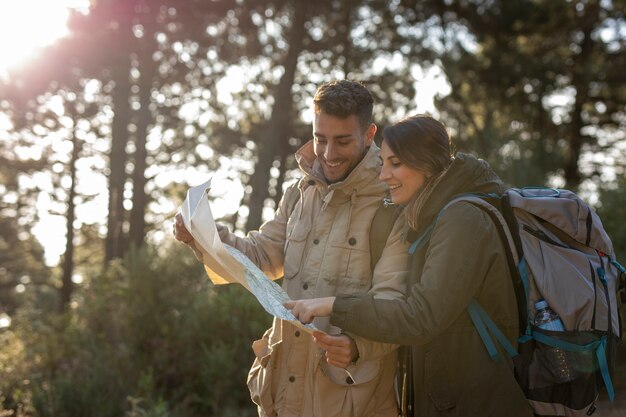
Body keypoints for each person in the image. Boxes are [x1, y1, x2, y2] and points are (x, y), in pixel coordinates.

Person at [173, 80, 409, 417]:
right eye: (319, 139)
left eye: (342, 141)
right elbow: (263, 257)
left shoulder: (393, 205)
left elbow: (397, 306)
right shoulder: (299, 193)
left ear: (369, 134)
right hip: (284, 395)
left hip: (350, 402)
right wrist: (203, 235)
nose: (328, 154)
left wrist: (359, 346)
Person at [285, 115, 535, 417]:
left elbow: (421, 316)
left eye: (396, 164)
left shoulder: (462, 220)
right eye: (383, 163)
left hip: (478, 403)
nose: (384, 175)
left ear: (426, 164)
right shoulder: (435, 216)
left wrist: (332, 305)